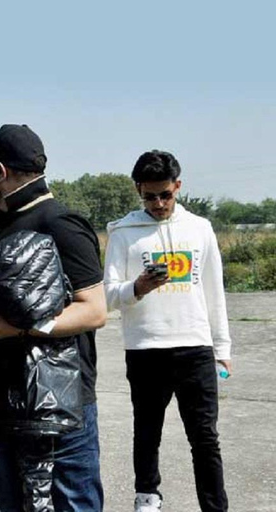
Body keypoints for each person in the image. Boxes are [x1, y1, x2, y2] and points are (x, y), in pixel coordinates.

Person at [0, 124, 107, 511]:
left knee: (71, 503)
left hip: (59, 406)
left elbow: (94, 309)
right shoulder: (5, 226)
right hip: (7, 400)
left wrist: (19, 328)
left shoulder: (60, 223)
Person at [103, 150, 231, 512]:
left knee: (205, 438)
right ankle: (147, 497)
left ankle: (215, 505)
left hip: (195, 347)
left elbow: (213, 291)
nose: (158, 203)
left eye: (166, 194)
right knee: (147, 431)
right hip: (146, 348)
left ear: (178, 186)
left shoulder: (200, 229)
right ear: (138, 191)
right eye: (149, 196)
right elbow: (108, 293)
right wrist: (137, 287)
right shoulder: (123, 232)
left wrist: (222, 349)